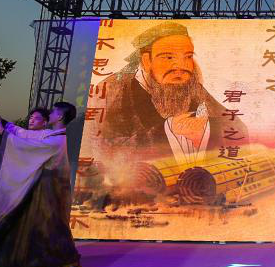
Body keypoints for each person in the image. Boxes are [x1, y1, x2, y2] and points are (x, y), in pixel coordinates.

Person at [96, 22, 249, 164]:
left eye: (187, 56)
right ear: (146, 61)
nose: (180, 66)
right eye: (168, 57)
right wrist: (167, 131)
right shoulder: (112, 89)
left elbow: (235, 127)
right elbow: (100, 151)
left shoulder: (188, 84)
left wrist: (207, 129)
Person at [0, 102, 81, 267]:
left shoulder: (57, 140)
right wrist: (3, 124)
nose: (50, 114)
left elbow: (25, 147)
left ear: (60, 116)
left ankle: (65, 264)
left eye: (53, 112)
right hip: (37, 187)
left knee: (48, 228)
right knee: (34, 230)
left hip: (47, 192)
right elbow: (25, 135)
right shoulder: (51, 134)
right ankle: (42, 264)